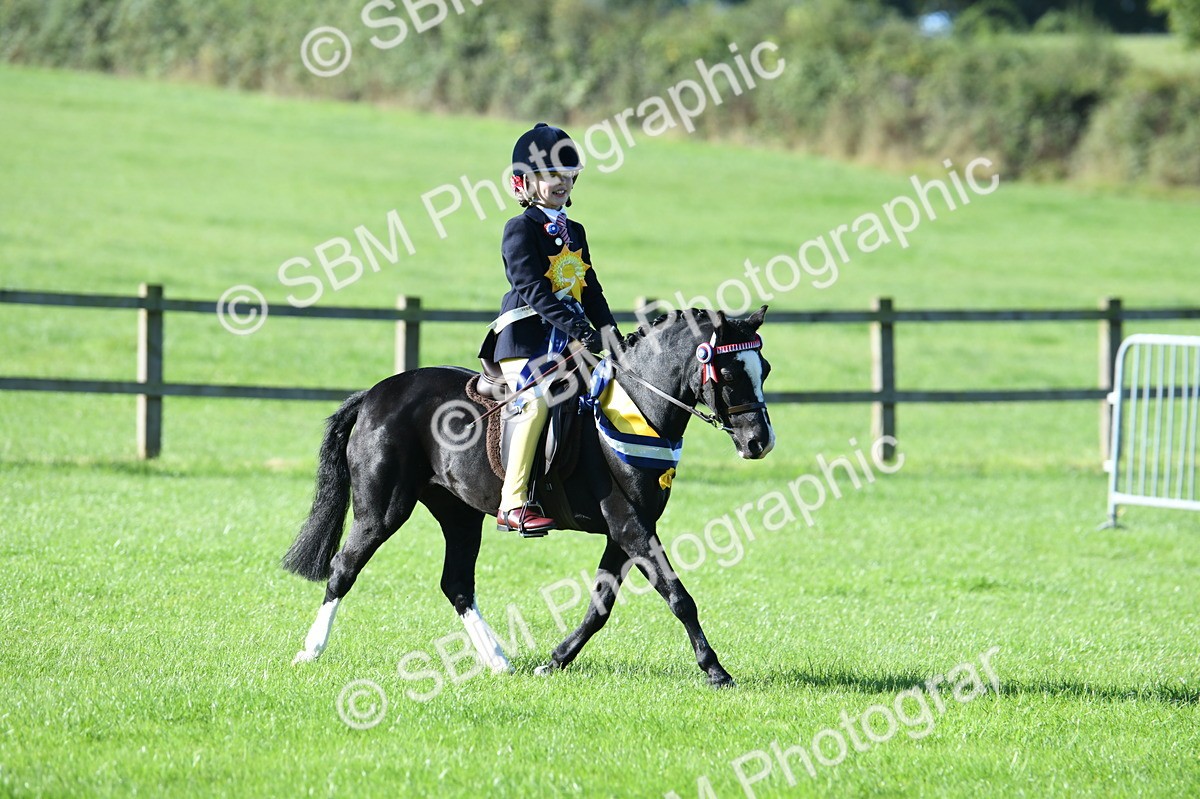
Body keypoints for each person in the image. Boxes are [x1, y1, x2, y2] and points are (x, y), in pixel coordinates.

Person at [478, 122, 620, 534]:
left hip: (570, 341)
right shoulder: (519, 229)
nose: (559, 182)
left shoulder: (575, 232)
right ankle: (514, 502)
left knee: (609, 391)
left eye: (566, 174)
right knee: (536, 400)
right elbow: (532, 290)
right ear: (527, 182)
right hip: (524, 339)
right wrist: (579, 329)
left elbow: (590, 289)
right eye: (549, 175)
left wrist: (610, 331)